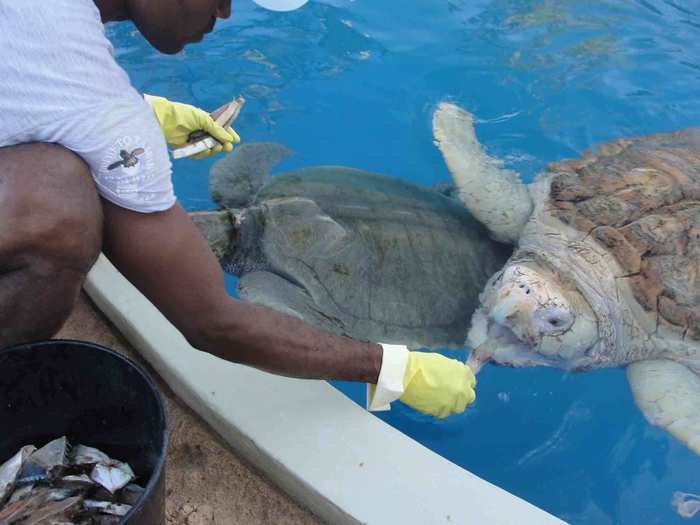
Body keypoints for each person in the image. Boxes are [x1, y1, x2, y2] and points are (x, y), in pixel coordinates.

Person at [0, 0, 476, 419]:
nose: (227, 11)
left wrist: (141, 111)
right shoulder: (97, 107)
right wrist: (392, 368)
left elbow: (44, 77)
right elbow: (213, 324)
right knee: (61, 210)